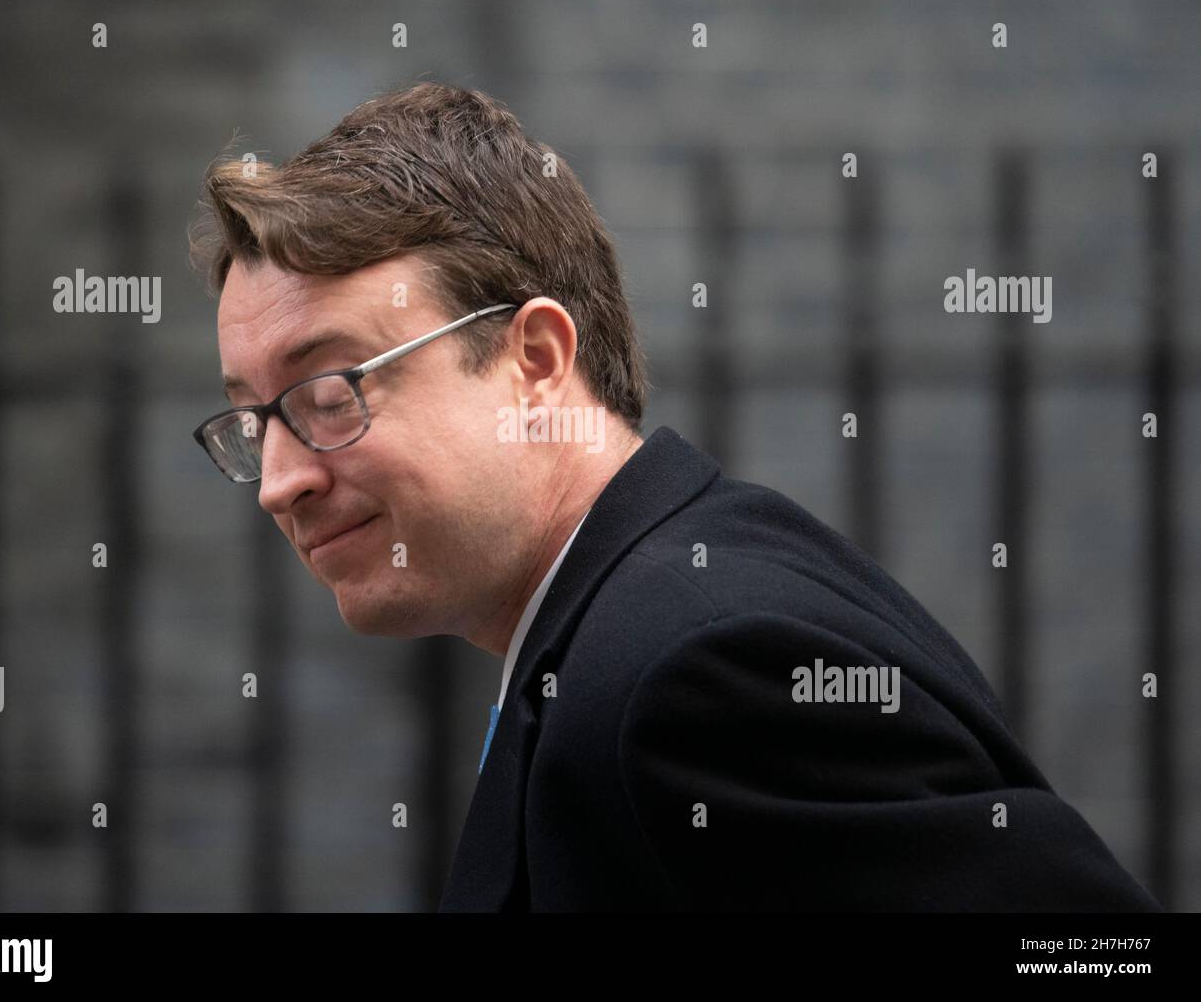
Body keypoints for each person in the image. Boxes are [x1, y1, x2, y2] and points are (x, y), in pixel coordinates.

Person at [187, 82, 1161, 912]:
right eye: (251, 419)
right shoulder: (633, 626)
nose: (280, 481)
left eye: (329, 394)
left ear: (534, 361)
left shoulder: (697, 670)